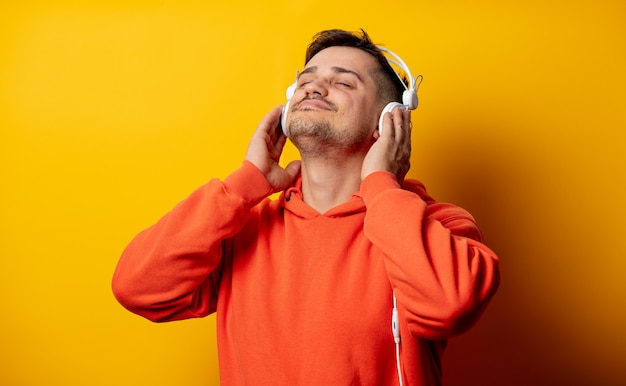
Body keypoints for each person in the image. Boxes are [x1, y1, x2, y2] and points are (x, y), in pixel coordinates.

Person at [112, 29, 500, 386]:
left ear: (388, 121)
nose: (314, 87)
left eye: (344, 82)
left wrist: (382, 185)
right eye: (306, 79)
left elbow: (450, 305)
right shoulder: (242, 227)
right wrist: (246, 182)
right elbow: (138, 288)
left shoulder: (437, 225)